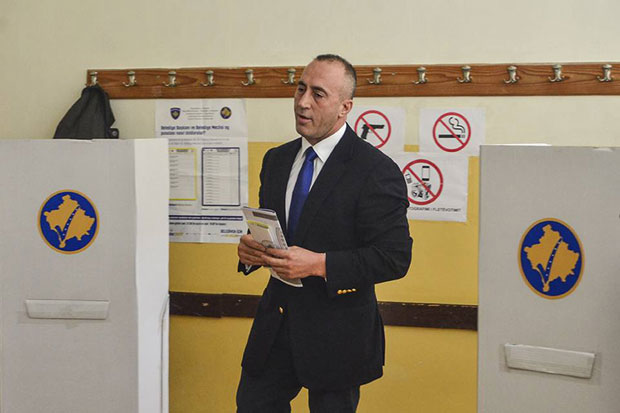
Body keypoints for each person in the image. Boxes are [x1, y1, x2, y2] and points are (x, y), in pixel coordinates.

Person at [236, 54, 412, 413]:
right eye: (300, 89)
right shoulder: (276, 160)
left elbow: (394, 258)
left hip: (338, 335)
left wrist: (319, 264)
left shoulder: (375, 170)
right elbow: (276, 233)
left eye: (318, 94)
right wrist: (252, 252)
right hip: (275, 326)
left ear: (345, 107)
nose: (303, 102)